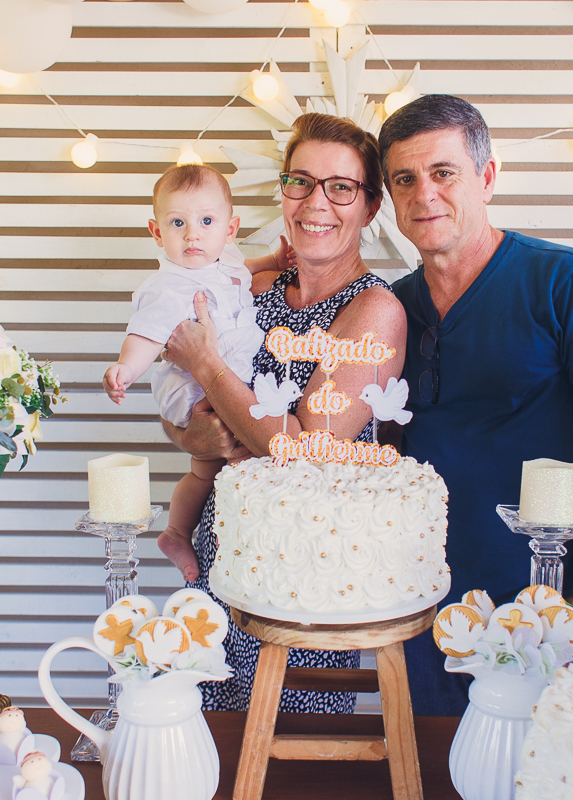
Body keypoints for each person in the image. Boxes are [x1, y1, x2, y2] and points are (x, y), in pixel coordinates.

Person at [378, 94, 573, 716]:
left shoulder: (566, 282)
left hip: (543, 606)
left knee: (542, 763)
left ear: (487, 177)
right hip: (421, 603)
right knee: (435, 761)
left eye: (443, 172)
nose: (424, 194)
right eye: (404, 179)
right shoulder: (391, 307)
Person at [161, 112, 407, 712]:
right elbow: (179, 404)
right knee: (205, 733)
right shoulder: (253, 290)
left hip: (305, 574)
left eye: (341, 187)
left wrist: (209, 367)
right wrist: (200, 436)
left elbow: (301, 448)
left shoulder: (374, 311)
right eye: (300, 181)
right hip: (222, 554)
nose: (315, 202)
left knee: (292, 741)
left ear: (370, 207)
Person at [101, 164, 293, 581]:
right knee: (211, 465)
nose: (193, 235)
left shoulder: (226, 262)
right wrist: (126, 368)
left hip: (226, 378)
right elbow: (145, 334)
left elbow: (243, 270)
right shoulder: (167, 288)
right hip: (191, 387)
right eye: (178, 223)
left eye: (207, 222)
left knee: (222, 466)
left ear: (230, 229)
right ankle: (177, 532)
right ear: (157, 232)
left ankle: (231, 542)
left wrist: (274, 260)